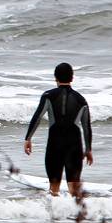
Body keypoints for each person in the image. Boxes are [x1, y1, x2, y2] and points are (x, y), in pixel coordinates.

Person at [23, 62, 94, 197]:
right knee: (74, 190)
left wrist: (28, 138)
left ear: (55, 77)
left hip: (55, 145)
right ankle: (75, 210)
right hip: (74, 145)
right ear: (72, 78)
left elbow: (37, 117)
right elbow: (86, 126)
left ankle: (55, 210)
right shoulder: (81, 100)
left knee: (54, 189)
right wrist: (88, 149)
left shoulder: (48, 96)